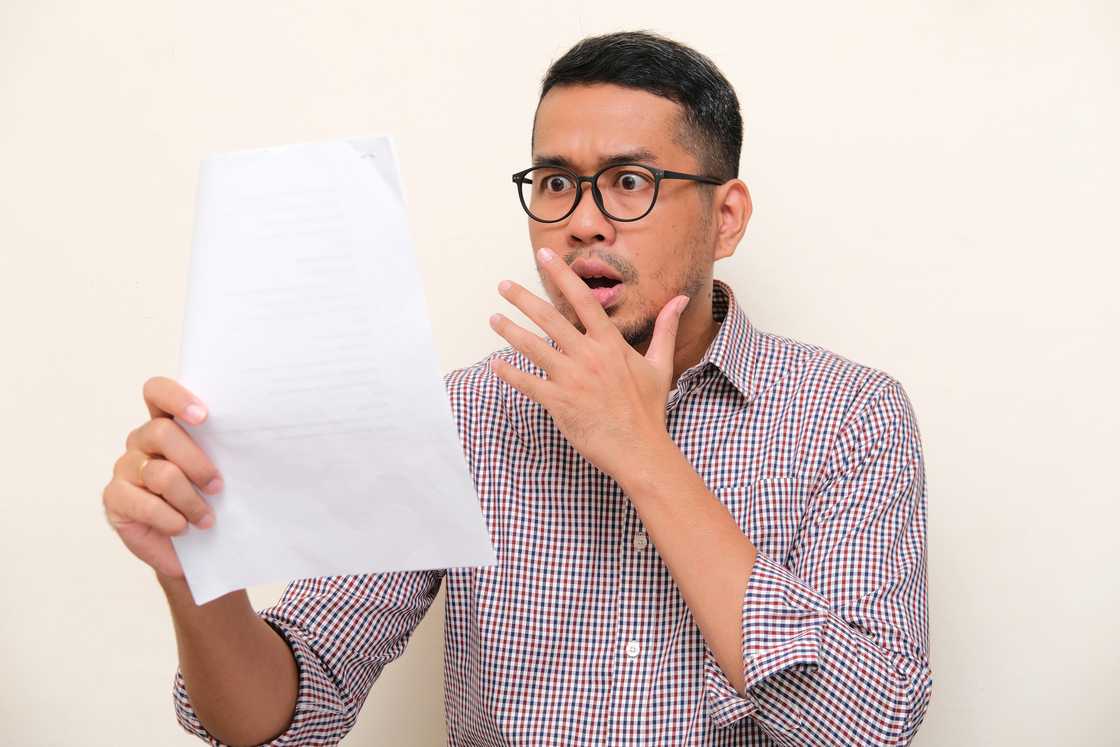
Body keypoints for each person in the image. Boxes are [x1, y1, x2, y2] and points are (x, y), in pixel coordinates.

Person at [103, 30, 933, 746]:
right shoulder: (462, 416)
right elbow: (287, 712)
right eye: (556, 182)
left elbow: (872, 721)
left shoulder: (849, 415)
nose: (583, 221)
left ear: (727, 217)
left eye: (630, 181)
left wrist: (646, 455)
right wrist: (193, 569)